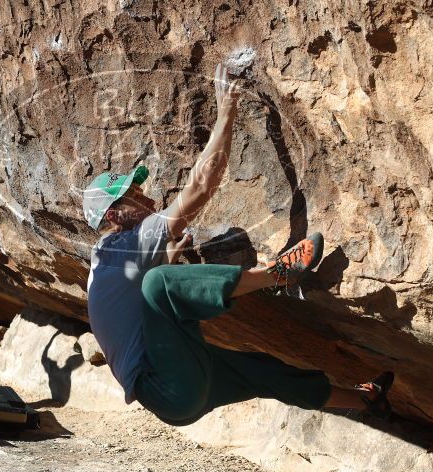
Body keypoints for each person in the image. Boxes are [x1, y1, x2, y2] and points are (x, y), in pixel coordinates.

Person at [84, 64, 393, 426]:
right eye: (135, 196)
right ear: (114, 217)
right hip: (166, 385)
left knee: (263, 371)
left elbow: (129, 307)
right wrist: (227, 107)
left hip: (179, 393)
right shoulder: (125, 243)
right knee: (160, 283)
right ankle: (276, 275)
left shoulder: (107, 260)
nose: (148, 199)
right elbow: (200, 188)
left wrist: (165, 258)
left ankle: (365, 399)